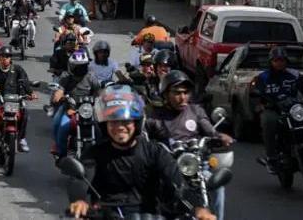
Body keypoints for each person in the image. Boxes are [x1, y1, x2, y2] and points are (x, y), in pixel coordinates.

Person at [67, 85, 216, 220]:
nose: (120, 127)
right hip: (106, 214)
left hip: (152, 215)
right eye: (114, 122)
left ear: (137, 123)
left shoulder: (155, 152)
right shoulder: (94, 153)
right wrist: (79, 201)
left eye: (126, 122)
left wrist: (198, 208)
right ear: (104, 125)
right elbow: (81, 179)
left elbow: (178, 182)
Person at [145, 71, 234, 220]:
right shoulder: (155, 117)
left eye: (186, 93)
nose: (183, 97)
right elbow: (143, 138)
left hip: (195, 165)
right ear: (165, 94)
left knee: (217, 186)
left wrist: (220, 137)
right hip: (168, 167)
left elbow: (210, 130)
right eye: (177, 93)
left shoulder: (195, 111)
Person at [252, 46, 303, 173]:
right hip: (272, 108)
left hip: (293, 108)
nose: (279, 63)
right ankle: (272, 158)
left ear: (286, 61)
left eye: (282, 60)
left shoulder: (294, 74)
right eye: (276, 60)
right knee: (269, 121)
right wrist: (261, 105)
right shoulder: (263, 77)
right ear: (271, 62)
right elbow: (255, 94)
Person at [0, 46, 36, 152]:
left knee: (25, 112)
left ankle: (22, 139)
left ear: (10, 58)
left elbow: (25, 82)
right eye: (2, 56)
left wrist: (31, 93)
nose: (4, 59)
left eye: (7, 56)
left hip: (16, 100)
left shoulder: (18, 69)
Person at [51, 50, 102, 158]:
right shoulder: (66, 77)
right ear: (71, 66)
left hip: (88, 110)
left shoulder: (91, 77)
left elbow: (99, 92)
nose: (80, 69)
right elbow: (59, 92)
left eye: (83, 66)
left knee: (101, 129)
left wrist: (101, 98)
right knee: (59, 124)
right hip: (69, 109)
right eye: (77, 66)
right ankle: (61, 153)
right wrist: (59, 95)